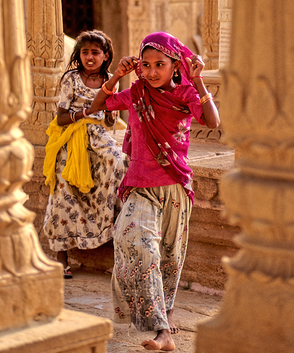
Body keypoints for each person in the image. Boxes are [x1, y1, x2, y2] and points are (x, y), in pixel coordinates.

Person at [86, 31, 220, 351]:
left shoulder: (186, 93)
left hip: (174, 187)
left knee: (169, 260)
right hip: (139, 186)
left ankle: (165, 332)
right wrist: (118, 74)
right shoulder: (136, 93)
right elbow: (97, 105)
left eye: (160, 64)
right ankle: (159, 325)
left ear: (176, 66)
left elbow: (213, 121)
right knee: (136, 243)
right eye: (146, 65)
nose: (151, 71)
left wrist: (199, 81)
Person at [42, 30, 127, 279]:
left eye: (95, 52)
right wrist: (85, 113)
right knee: (63, 190)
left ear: (106, 56)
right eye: (85, 52)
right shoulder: (71, 78)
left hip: (99, 138)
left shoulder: (111, 79)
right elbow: (61, 117)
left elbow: (110, 117)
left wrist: (110, 114)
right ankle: (61, 258)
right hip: (71, 137)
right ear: (79, 55)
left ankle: (114, 248)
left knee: (118, 165)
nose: (90, 57)